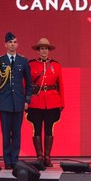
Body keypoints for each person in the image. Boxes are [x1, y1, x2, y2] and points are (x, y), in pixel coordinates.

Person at [0, 32, 32, 169]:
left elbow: (29, 83)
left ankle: (15, 160)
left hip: (19, 103)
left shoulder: (23, 61)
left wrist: (26, 100)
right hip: (4, 102)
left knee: (16, 134)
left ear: (17, 44)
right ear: (5, 44)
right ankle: (7, 161)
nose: (12, 44)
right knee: (5, 133)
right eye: (10, 42)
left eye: (15, 42)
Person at [26, 38, 65, 167]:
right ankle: (39, 156)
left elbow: (60, 85)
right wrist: (25, 101)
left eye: (46, 48)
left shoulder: (56, 65)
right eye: (42, 48)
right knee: (36, 129)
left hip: (52, 101)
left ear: (49, 50)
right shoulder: (30, 64)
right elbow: (25, 84)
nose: (44, 51)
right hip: (35, 101)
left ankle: (47, 157)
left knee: (49, 129)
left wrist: (61, 103)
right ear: (38, 50)